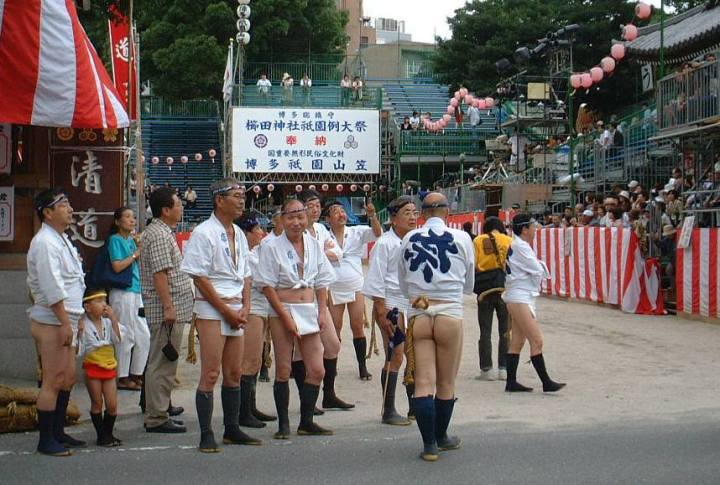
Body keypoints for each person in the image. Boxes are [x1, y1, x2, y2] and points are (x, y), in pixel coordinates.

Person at [180, 179, 261, 452]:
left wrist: (245, 306)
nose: (241, 200)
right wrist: (226, 310)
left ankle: (232, 428)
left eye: (242, 196)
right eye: (236, 196)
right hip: (212, 308)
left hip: (236, 306)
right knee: (211, 372)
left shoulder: (238, 233)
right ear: (219, 200)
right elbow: (200, 278)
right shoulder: (203, 232)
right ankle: (206, 433)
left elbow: (246, 274)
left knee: (234, 372)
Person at [398, 192, 475, 462]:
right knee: (446, 381)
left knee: (423, 382)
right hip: (449, 312)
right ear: (447, 211)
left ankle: (429, 445)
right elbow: (469, 284)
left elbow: (403, 283)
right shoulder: (462, 238)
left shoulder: (409, 238)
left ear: (422, 214)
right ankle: (441, 436)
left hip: (419, 312)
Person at [256, 198, 336, 438]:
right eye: (290, 217)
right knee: (283, 368)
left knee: (317, 369)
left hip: (308, 307)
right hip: (283, 308)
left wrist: (321, 311)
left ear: (307, 218)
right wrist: (285, 317)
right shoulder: (271, 246)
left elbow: (322, 280)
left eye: (300, 217)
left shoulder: (313, 244)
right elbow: (267, 286)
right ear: (282, 219)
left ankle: (306, 420)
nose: (296, 222)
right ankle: (283, 424)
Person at [27, 188, 87, 455]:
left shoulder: (61, 238)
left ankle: (58, 431)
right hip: (52, 319)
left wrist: (78, 318)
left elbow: (75, 281)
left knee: (67, 378)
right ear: (47, 212)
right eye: (63, 205)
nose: (70, 209)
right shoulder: (44, 242)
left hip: (68, 317)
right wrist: (65, 322)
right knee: (53, 379)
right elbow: (52, 286)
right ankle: (46, 440)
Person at [141, 187, 193, 433]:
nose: (181, 207)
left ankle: (160, 408)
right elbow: (160, 274)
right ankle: (156, 417)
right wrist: (169, 307)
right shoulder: (160, 235)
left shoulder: (160, 232)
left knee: (163, 362)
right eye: (178, 204)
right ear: (165, 210)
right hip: (166, 312)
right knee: (162, 364)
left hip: (169, 309)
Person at [363, 196, 419, 426]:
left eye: (415, 212)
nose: (413, 217)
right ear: (394, 218)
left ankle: (415, 406)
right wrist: (381, 311)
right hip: (391, 303)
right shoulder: (384, 243)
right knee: (395, 354)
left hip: (412, 302)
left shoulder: (416, 239)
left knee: (415, 354)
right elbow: (376, 278)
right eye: (407, 213)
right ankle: (388, 410)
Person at [297, 190, 353, 410]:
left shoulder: (320, 229)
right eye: (310, 205)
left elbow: (338, 253)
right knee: (299, 352)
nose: (315, 209)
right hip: (300, 295)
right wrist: (322, 251)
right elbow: (303, 258)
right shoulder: (297, 231)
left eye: (317, 205)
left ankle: (329, 394)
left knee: (333, 345)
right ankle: (306, 400)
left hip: (320, 293)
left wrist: (319, 251)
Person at [503, 213, 565, 394]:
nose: (535, 229)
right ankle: (546, 382)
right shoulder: (521, 246)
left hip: (520, 295)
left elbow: (536, 269)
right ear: (524, 229)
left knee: (517, 341)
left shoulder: (519, 245)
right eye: (532, 226)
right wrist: (540, 266)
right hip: (520, 295)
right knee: (536, 339)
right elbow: (537, 269)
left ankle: (511, 382)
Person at [325, 199, 382, 380]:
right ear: (327, 219)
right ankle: (331, 367)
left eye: (343, 210)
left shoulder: (357, 231)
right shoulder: (324, 236)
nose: (341, 214)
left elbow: (377, 232)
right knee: (335, 328)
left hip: (355, 286)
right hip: (334, 287)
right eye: (335, 211)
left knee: (357, 326)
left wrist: (372, 216)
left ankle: (362, 367)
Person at [236, 211, 277, 427]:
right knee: (250, 360)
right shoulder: (246, 255)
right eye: (257, 229)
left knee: (257, 359)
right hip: (252, 308)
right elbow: (263, 280)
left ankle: (250, 407)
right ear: (247, 233)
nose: (262, 232)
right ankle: (244, 411)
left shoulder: (257, 251)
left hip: (261, 307)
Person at [107, 207, 149, 392]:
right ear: (117, 221)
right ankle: (122, 377)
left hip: (136, 292)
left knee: (143, 335)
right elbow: (117, 266)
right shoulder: (115, 240)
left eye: (133, 217)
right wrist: (135, 254)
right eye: (127, 217)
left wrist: (138, 248)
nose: (132, 220)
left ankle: (136, 373)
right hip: (122, 292)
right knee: (124, 334)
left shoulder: (132, 240)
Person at [79, 288, 122, 447]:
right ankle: (102, 436)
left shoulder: (108, 323)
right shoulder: (84, 324)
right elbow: (79, 350)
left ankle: (108, 433)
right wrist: (79, 332)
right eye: (98, 301)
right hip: (93, 366)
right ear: (87, 307)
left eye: (104, 300)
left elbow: (119, 339)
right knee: (97, 402)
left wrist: (114, 319)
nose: (104, 304)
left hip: (109, 365)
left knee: (112, 405)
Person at [473, 216, 511, 381]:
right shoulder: (509, 240)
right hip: (505, 288)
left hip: (485, 288)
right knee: (505, 331)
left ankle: (486, 369)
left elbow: (474, 264)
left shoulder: (479, 240)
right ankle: (504, 368)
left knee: (485, 330)